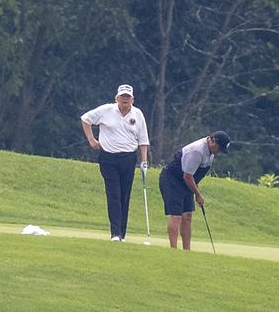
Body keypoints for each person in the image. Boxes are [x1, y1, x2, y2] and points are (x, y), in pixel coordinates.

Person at [81, 84, 150, 242]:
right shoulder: (106, 110)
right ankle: (115, 233)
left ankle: (122, 234)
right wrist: (91, 140)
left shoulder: (137, 114)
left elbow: (143, 139)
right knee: (114, 195)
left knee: (125, 196)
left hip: (128, 159)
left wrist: (144, 160)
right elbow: (85, 119)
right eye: (122, 96)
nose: (125, 99)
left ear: (132, 99)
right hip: (108, 158)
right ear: (116, 98)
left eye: (128, 97)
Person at [159, 131, 231, 250]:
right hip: (172, 180)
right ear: (213, 141)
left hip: (185, 182)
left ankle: (187, 250)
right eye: (219, 148)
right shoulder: (197, 151)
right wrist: (198, 195)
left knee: (187, 215)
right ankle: (173, 249)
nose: (219, 152)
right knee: (176, 215)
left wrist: (196, 188)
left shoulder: (211, 153)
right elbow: (187, 176)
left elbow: (195, 175)